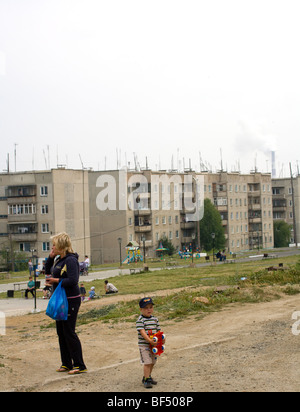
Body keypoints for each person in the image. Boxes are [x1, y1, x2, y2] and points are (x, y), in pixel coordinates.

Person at [45, 232, 87, 375]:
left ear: (62, 246)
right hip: (60, 300)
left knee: (69, 332)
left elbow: (73, 280)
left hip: (70, 300)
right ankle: (66, 363)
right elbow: (47, 271)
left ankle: (79, 365)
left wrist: (56, 281)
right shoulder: (58, 259)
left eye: (54, 245)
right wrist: (50, 258)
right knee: (61, 332)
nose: (52, 247)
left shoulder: (70, 260)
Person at [136, 297, 165, 389]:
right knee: (147, 362)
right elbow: (142, 332)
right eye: (146, 308)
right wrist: (149, 340)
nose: (149, 309)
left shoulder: (155, 319)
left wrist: (162, 339)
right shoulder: (140, 320)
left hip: (154, 345)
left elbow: (159, 331)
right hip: (144, 345)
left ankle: (148, 376)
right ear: (141, 309)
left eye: (150, 307)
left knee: (153, 362)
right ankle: (146, 380)